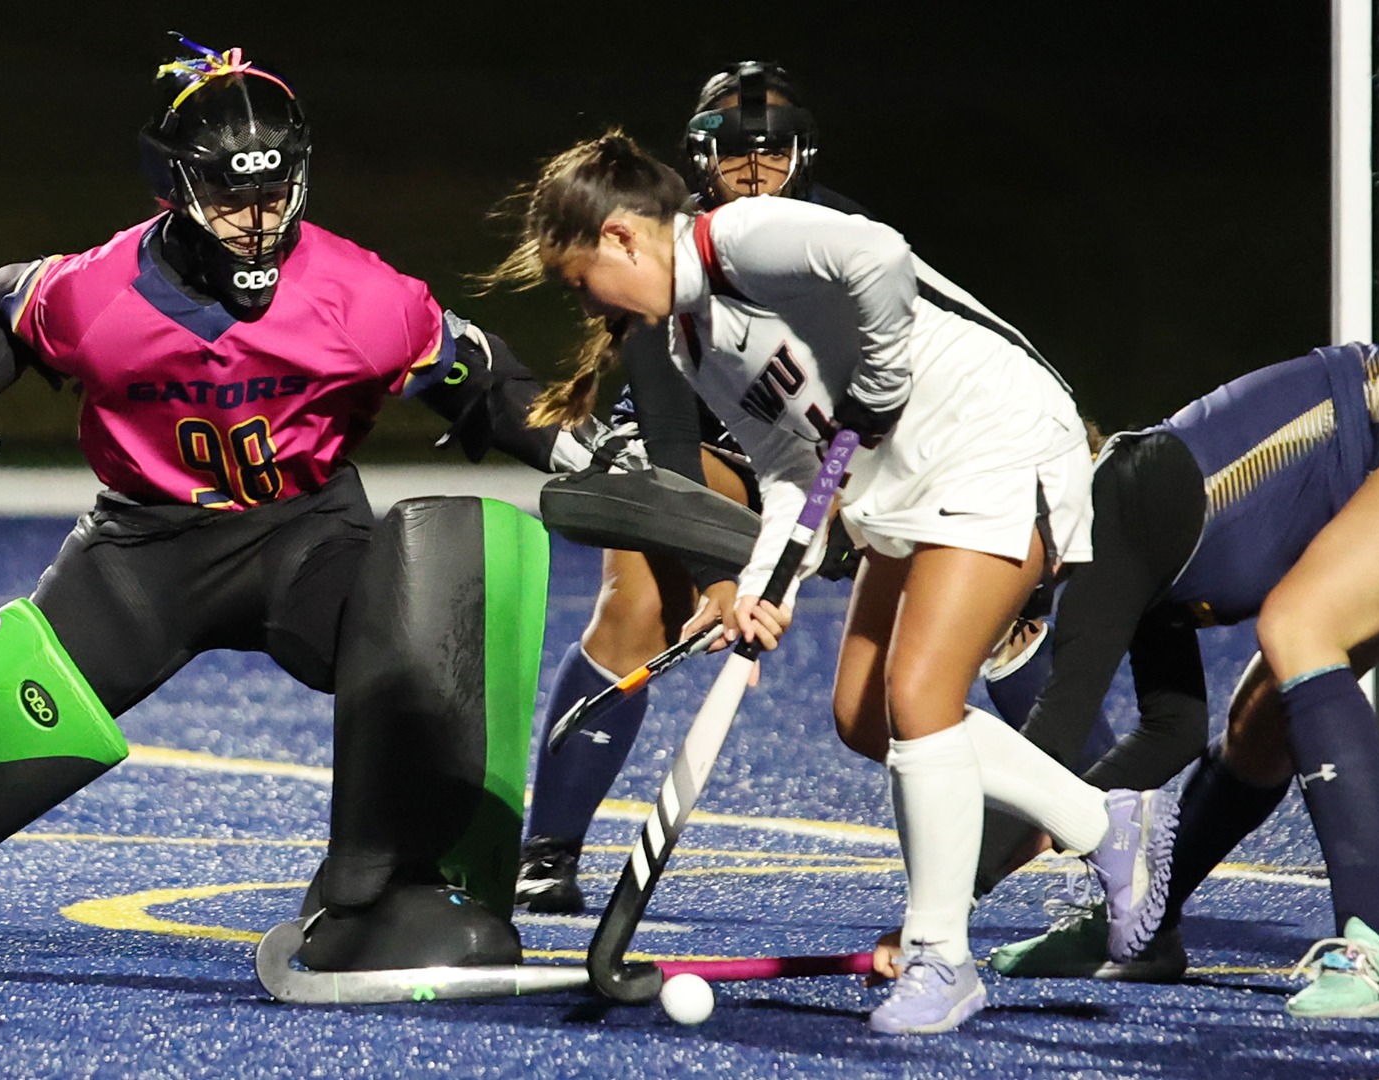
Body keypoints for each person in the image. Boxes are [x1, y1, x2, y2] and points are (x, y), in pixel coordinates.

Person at [0, 38, 603, 976]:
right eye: (231, 196)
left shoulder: (360, 295)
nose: (258, 221)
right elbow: (9, 310)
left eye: (275, 193)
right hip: (145, 552)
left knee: (425, 609)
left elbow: (480, 380)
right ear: (174, 186)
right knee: (22, 700)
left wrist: (584, 450)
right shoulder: (103, 294)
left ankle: (389, 896)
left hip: (307, 536)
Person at [483, 131, 1177, 1035]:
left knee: (920, 697)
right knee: (865, 715)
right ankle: (1105, 822)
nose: (587, 304)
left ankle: (941, 957)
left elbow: (879, 256)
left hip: (990, 432)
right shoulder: (693, 341)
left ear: (620, 236)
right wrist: (762, 584)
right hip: (902, 473)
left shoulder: (741, 235)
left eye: (581, 281)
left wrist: (880, 374)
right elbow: (789, 469)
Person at [983, 343, 1379, 1019]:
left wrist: (944, 904)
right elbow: (1171, 732)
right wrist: (1093, 838)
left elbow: (1057, 730)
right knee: (1259, 722)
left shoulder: (1119, 506)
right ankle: (1145, 927)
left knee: (1298, 626)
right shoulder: (1130, 531)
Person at [516, 60, 876, 915]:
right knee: (639, 601)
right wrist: (717, 576)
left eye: (771, 151)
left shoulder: (850, 240)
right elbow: (673, 427)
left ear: (803, 154)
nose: (752, 170)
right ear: (698, 158)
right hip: (709, 444)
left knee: (984, 607)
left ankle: (1101, 810)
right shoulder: (664, 248)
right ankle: (550, 847)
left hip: (835, 450)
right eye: (733, 152)